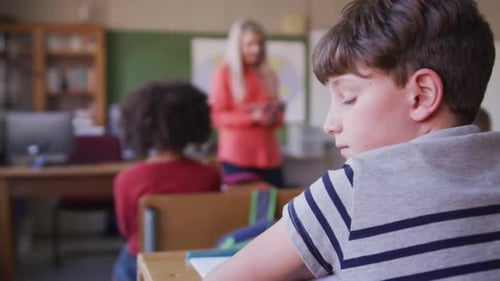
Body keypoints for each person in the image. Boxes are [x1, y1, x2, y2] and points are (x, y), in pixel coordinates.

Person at [205, 0, 499, 280]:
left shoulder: (351, 191)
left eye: (348, 98)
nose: (329, 124)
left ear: (422, 95)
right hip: (241, 152)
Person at [112, 80, 222, 281]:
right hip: (191, 257)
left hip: (143, 257)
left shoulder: (127, 180)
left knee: (125, 258)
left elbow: (127, 231)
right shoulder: (210, 174)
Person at [210, 18, 285, 188]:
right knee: (242, 211)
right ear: (237, 46)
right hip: (237, 156)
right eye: (250, 44)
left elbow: (279, 118)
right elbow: (217, 117)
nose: (256, 49)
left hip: (270, 157)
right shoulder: (224, 73)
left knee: (277, 210)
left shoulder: (270, 75)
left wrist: (275, 116)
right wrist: (253, 117)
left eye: (260, 44)